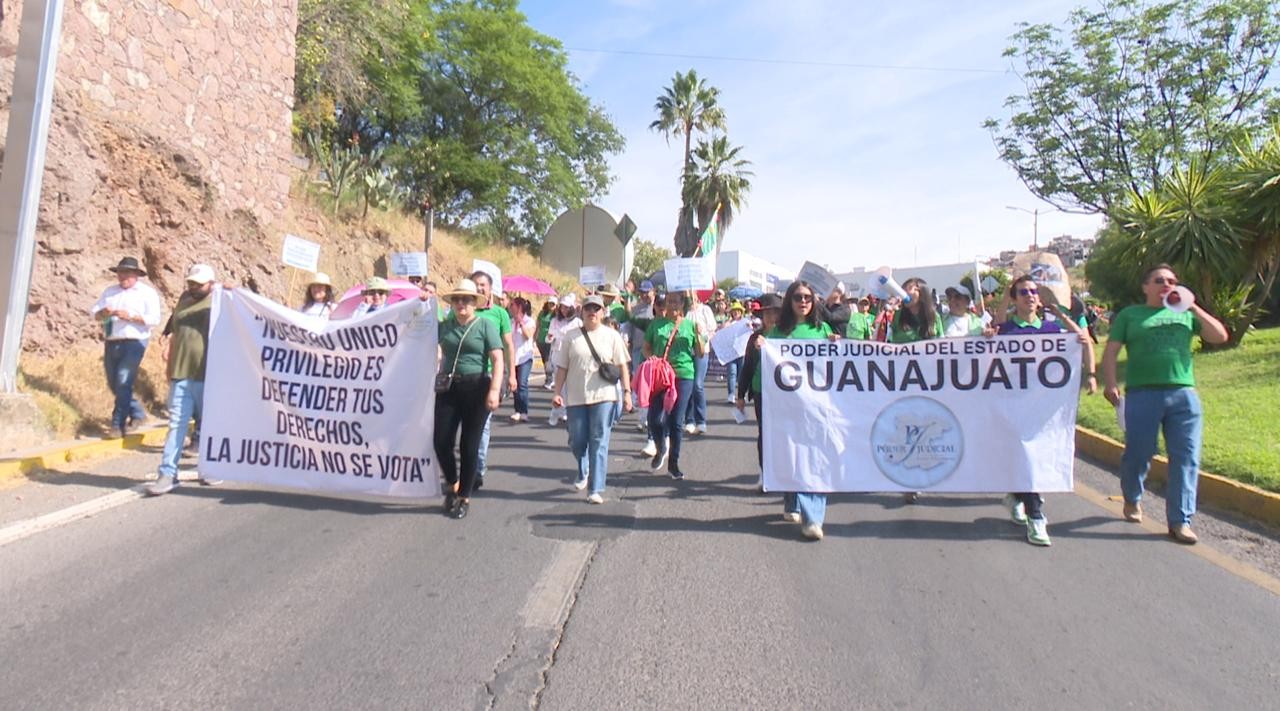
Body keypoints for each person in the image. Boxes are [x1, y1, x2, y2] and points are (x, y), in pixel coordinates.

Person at [1102, 264, 1229, 544]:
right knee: (1140, 452)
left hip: (1183, 395)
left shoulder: (1184, 313)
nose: (1167, 285)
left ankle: (1180, 521)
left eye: (1172, 281)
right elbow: (1111, 351)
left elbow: (1219, 336)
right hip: (1142, 394)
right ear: (1146, 287)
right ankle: (1132, 497)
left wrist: (1193, 307)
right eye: (1159, 280)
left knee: (1186, 457)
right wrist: (1109, 383)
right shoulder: (1131, 315)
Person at [991, 275, 1097, 546]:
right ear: (1014, 299)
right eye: (1023, 292)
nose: (1030, 296)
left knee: (1031, 456)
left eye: (1033, 292)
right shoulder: (1007, 329)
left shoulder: (1050, 328)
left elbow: (1080, 338)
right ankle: (1036, 515)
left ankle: (1020, 499)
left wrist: (1060, 313)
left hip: (1042, 407)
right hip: (1013, 404)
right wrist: (1005, 295)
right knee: (1023, 453)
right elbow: (996, 327)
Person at [766, 281, 835, 540]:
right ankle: (792, 498)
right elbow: (769, 366)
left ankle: (813, 518)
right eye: (797, 297)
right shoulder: (778, 333)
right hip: (789, 408)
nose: (803, 301)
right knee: (794, 456)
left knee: (816, 458)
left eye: (808, 297)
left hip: (817, 406)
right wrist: (761, 347)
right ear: (789, 301)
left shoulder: (822, 329)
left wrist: (835, 345)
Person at [146, 264, 222, 495]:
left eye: (198, 284)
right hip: (182, 373)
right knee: (177, 424)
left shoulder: (219, 300)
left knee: (209, 425)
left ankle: (208, 468)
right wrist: (170, 352)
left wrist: (230, 290)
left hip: (208, 374)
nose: (193, 287)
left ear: (211, 283)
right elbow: (177, 329)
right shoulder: (184, 299)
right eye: (190, 282)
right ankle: (167, 473)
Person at [552, 295, 633, 503]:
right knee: (577, 440)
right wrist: (557, 393)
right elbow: (562, 367)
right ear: (582, 311)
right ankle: (583, 468)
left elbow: (623, 365)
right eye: (588, 308)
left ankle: (595, 488)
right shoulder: (571, 337)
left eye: (597, 308)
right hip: (577, 397)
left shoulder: (612, 335)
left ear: (603, 312)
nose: (592, 312)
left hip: (604, 396)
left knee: (599, 439)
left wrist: (626, 392)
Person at [434, 278, 504, 520]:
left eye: (466, 299)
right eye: (457, 299)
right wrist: (421, 302)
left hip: (477, 387)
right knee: (441, 441)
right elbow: (417, 329)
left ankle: (464, 496)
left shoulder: (485, 325)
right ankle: (453, 484)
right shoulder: (446, 326)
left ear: (475, 302)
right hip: (449, 386)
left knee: (469, 444)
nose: (461, 303)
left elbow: (497, 359)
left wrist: (495, 390)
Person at [92, 256, 163, 437]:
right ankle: (138, 413)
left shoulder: (147, 293)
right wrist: (104, 313)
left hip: (135, 341)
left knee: (123, 380)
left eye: (127, 273)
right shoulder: (110, 292)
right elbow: (96, 314)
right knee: (114, 383)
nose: (123, 277)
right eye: (121, 273)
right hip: (112, 340)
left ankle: (118, 424)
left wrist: (130, 317)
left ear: (136, 275)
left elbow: (154, 319)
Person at [889, 277, 942, 503]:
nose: (907, 291)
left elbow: (942, 346)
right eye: (905, 288)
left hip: (928, 380)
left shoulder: (934, 317)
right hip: (903, 380)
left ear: (923, 292)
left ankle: (919, 473)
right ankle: (908, 479)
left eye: (912, 288)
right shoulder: (899, 316)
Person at [643, 290, 704, 479]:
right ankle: (661, 447)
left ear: (683, 305)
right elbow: (647, 347)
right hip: (661, 375)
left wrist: (700, 335)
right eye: (669, 302)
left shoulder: (690, 325)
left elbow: (700, 353)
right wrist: (651, 357)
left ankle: (673, 464)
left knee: (676, 421)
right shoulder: (656, 324)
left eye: (676, 302)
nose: (673, 305)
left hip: (683, 375)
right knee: (654, 419)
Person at [470, 270, 517, 489]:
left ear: (490, 289)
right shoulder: (461, 310)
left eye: (482, 285)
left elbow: (508, 345)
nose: (479, 289)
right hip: (461, 376)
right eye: (475, 285)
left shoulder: (499, 313)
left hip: (488, 375)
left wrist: (512, 374)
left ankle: (477, 469)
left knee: (482, 425)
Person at [735, 294, 783, 471]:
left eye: (775, 312)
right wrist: (740, 395)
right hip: (761, 390)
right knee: (764, 433)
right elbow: (747, 366)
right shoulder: (755, 337)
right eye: (767, 313)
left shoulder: (788, 336)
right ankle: (765, 472)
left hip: (784, 392)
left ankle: (780, 471)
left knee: (781, 433)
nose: (772, 316)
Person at [628, 281, 657, 442]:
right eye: (642, 292)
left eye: (647, 292)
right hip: (638, 350)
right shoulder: (636, 309)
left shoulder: (659, 308)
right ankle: (642, 418)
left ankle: (646, 419)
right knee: (639, 385)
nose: (644, 295)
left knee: (650, 387)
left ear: (653, 291)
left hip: (654, 352)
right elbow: (631, 327)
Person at [546, 294, 582, 425]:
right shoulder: (555, 321)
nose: (564, 310)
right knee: (560, 385)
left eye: (567, 308)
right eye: (562, 307)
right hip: (557, 355)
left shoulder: (577, 323)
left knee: (569, 385)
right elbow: (548, 337)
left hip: (571, 355)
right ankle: (558, 411)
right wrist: (550, 338)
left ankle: (565, 410)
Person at [685, 292, 717, 435]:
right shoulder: (684, 311)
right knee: (688, 384)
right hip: (686, 352)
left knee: (698, 384)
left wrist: (702, 335)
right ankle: (689, 420)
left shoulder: (705, 310)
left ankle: (701, 420)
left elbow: (712, 330)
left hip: (701, 351)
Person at [508, 297, 537, 422]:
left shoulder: (529, 321)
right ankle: (517, 410)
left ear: (519, 307)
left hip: (525, 357)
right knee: (515, 384)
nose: (510, 307)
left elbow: (528, 336)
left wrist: (521, 323)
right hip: (513, 357)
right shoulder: (509, 322)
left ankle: (524, 411)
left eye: (512, 305)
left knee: (522, 383)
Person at [723, 301, 747, 403]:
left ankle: (741, 394)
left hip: (741, 352)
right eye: (734, 311)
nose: (736, 313)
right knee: (732, 373)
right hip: (731, 352)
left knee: (741, 374)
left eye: (738, 311)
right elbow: (722, 330)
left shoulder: (745, 322)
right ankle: (731, 394)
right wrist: (728, 323)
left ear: (741, 312)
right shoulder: (729, 323)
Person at [536, 297, 557, 389]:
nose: (551, 305)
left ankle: (549, 379)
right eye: (550, 303)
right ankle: (549, 377)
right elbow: (538, 325)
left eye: (553, 304)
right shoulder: (542, 313)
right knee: (544, 360)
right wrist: (534, 337)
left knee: (548, 359)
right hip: (541, 339)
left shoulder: (556, 315)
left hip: (550, 339)